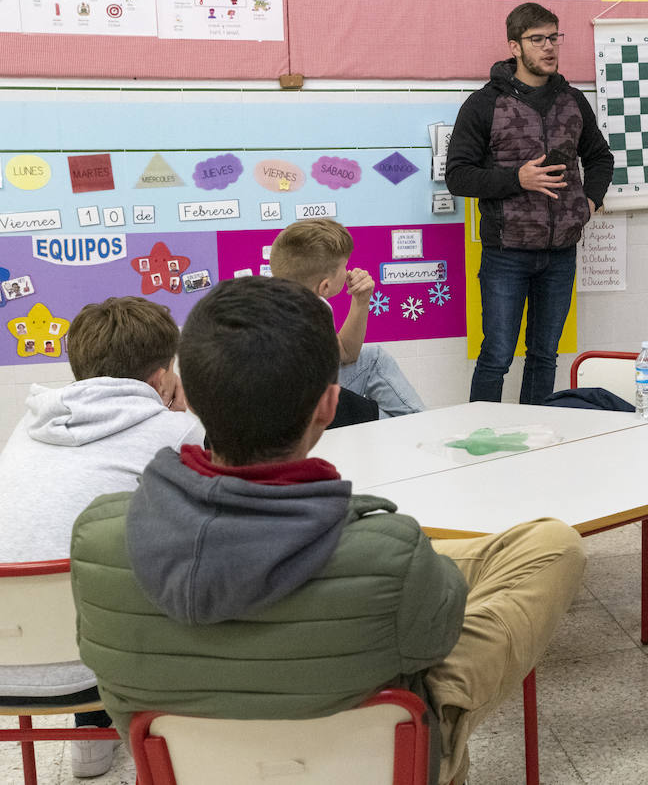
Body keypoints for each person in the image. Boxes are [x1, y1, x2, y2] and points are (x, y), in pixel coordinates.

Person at [69, 277, 587, 785]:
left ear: (189, 399)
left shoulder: (99, 539)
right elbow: (438, 642)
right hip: (377, 762)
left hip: (190, 770)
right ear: (328, 406)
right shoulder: (388, 552)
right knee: (552, 546)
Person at [0, 296, 200, 778]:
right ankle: (164, 742)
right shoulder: (178, 430)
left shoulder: (31, 422)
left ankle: (90, 746)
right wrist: (182, 417)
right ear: (163, 377)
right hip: (95, 670)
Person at [445, 1, 614, 404]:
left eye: (554, 38)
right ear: (515, 47)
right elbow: (458, 176)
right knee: (497, 355)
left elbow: (600, 157)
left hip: (560, 254)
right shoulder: (484, 104)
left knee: (544, 356)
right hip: (507, 254)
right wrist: (516, 178)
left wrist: (588, 205)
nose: (549, 47)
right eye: (537, 39)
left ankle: (537, 438)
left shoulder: (573, 100)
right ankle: (482, 437)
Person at [269, 217, 424, 418]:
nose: (348, 271)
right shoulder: (311, 313)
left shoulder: (279, 297)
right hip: (301, 412)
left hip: (283, 401)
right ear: (324, 286)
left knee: (372, 356)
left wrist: (361, 301)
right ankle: (419, 423)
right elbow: (343, 360)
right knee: (401, 417)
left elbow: (344, 353)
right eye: (345, 266)